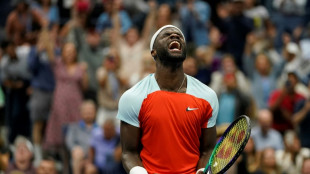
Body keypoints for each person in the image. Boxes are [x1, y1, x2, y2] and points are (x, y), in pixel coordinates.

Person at [117, 25, 219, 174]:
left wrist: (204, 169)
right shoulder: (133, 97)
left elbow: (208, 149)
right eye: (166, 35)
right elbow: (129, 152)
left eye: (179, 35)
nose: (175, 36)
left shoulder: (207, 96)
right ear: (154, 52)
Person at [65, 100, 98, 174]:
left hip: (94, 158)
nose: (88, 114)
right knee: (77, 153)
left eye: (90, 112)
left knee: (90, 170)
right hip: (79, 157)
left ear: (95, 113)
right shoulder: (74, 127)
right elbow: (69, 142)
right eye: (86, 112)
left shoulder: (99, 128)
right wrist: (76, 149)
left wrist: (90, 158)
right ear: (81, 113)